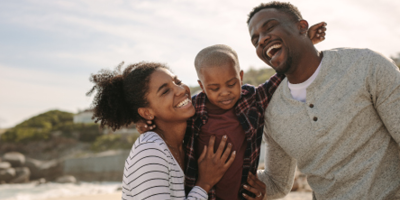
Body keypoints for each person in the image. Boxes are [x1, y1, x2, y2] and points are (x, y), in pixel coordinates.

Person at [247, 2, 400, 199]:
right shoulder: (273, 112)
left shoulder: (366, 65)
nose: (261, 40)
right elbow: (277, 183)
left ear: (302, 27)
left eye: (269, 27)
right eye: (255, 40)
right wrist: (219, 176)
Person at [182, 22, 325, 200]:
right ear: (202, 86)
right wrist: (145, 123)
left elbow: (280, 77)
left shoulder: (250, 100)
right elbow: (164, 120)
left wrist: (304, 43)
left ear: (240, 77)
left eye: (231, 84)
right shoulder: (192, 110)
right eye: (214, 88)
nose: (225, 92)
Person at [87, 62, 236, 200]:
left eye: (177, 82)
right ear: (146, 113)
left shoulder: (187, 140)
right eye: (165, 91)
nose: (181, 89)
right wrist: (204, 183)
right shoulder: (149, 151)